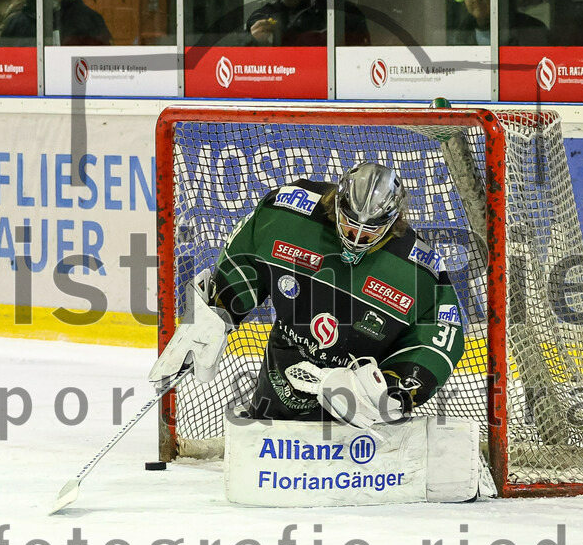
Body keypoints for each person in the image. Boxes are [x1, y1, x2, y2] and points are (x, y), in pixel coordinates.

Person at [150, 163, 465, 426]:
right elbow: (245, 258)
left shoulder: (419, 268)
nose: (355, 237)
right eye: (350, 224)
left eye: (369, 231)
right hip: (281, 375)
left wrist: (394, 388)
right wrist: (217, 311)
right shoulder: (288, 214)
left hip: (358, 406)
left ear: (393, 221)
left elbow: (439, 339)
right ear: (336, 203)